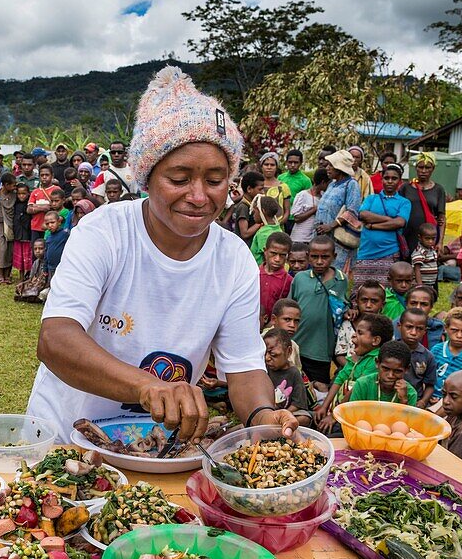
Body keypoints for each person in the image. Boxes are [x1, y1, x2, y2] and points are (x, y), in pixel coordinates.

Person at [27, 66, 299, 440]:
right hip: (65, 440)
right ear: (147, 176)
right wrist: (147, 386)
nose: (200, 196)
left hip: (159, 450)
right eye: (179, 179)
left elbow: (244, 369)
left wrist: (263, 415)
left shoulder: (233, 259)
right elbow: (55, 339)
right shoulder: (104, 233)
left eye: (216, 180)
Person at [316, 313, 393, 432]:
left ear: (375, 340)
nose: (353, 336)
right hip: (339, 410)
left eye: (360, 333)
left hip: (353, 415)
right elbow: (340, 379)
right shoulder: (357, 357)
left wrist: (334, 416)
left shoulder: (376, 362)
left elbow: (357, 388)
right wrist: (324, 407)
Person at [291, 235, 348, 389]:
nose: (319, 261)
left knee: (320, 387)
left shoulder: (342, 280)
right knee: (294, 384)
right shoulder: (300, 279)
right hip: (298, 343)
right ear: (308, 257)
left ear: (334, 257)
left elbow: (343, 305)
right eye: (314, 257)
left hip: (322, 348)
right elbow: (290, 307)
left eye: (325, 257)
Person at [354, 164, 410, 289]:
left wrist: (373, 226)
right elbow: (363, 214)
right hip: (365, 253)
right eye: (386, 178)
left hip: (389, 253)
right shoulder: (371, 198)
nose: (390, 181)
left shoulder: (404, 202)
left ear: (399, 181)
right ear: (382, 179)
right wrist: (389, 219)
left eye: (394, 178)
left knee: (384, 293)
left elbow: (399, 223)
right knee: (360, 291)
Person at [314, 150, 362, 272]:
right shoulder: (332, 185)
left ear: (339, 168)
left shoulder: (351, 185)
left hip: (339, 240)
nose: (327, 168)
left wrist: (331, 226)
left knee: (336, 273)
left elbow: (352, 211)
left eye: (331, 165)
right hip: (323, 236)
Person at [399, 152, 447, 261]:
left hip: (428, 237)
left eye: (427, 167)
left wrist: (440, 242)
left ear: (433, 169)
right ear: (416, 168)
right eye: (421, 167)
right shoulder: (406, 188)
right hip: (407, 235)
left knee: (425, 267)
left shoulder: (439, 190)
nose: (424, 171)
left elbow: (442, 218)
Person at [264, 327, 314, 427]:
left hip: (289, 412)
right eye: (264, 353)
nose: (267, 358)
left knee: (304, 418)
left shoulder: (294, 373)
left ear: (289, 351)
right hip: (268, 413)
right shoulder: (264, 369)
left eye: (273, 354)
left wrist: (283, 414)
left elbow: (298, 404)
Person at [348, 340, 418, 404]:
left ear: (407, 369)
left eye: (397, 371)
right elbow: (353, 413)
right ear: (377, 363)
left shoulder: (410, 393)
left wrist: (404, 400)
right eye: (385, 369)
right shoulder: (363, 384)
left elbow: (408, 418)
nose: (390, 376)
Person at [431, 306, 462, 399]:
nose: (459, 335)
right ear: (446, 328)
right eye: (454, 330)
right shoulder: (436, 350)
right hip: (432, 396)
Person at [336, 281, 385, 366]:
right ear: (357, 301)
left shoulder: (385, 327)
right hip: (348, 370)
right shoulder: (347, 324)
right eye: (364, 300)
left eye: (374, 301)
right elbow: (340, 355)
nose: (368, 305)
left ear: (382, 304)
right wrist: (353, 370)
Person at [258, 232, 292, 326]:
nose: (277, 259)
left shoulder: (288, 281)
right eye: (273, 253)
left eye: (282, 255)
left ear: (288, 256)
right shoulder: (253, 273)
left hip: (272, 327)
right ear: (265, 251)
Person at [288, 168, 329, 243]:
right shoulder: (302, 195)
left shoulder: (324, 196)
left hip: (314, 239)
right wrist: (314, 210)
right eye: (328, 183)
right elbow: (296, 218)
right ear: (323, 182)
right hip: (300, 239)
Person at [248, 194, 284, 265]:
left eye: (255, 212)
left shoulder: (263, 234)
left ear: (262, 211)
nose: (253, 215)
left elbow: (267, 259)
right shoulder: (278, 228)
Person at [270, 298, 303, 371]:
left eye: (296, 321)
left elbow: (297, 373)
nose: (292, 325)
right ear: (274, 319)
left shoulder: (294, 346)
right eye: (287, 319)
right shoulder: (262, 342)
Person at [410, 223, 439, 291]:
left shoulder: (431, 250)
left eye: (433, 239)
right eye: (427, 239)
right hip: (422, 284)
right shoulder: (419, 252)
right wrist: (420, 286)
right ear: (420, 238)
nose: (430, 241)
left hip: (430, 284)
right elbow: (417, 270)